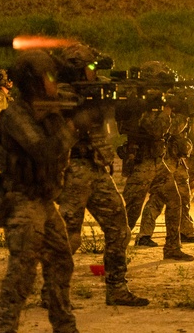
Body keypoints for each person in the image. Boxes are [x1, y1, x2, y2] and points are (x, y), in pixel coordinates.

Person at [0, 49, 102, 333]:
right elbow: (44, 151)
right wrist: (74, 126)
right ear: (34, 84)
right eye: (49, 78)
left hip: (43, 202)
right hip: (22, 201)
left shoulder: (48, 107)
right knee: (22, 271)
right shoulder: (15, 116)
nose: (54, 83)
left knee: (62, 260)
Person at [53, 44, 149, 307]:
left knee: (119, 228)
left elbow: (117, 102)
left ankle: (117, 288)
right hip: (72, 169)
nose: (95, 72)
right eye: (91, 67)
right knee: (69, 236)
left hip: (95, 169)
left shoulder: (97, 90)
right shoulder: (59, 93)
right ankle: (54, 294)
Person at [118, 62, 194, 261]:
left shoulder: (156, 100)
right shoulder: (141, 101)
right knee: (130, 212)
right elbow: (159, 129)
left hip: (157, 162)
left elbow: (173, 128)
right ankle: (116, 253)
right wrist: (170, 110)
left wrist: (183, 109)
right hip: (142, 162)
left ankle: (172, 247)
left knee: (175, 201)